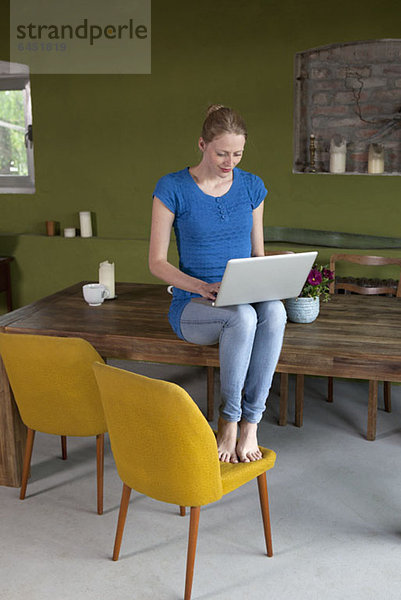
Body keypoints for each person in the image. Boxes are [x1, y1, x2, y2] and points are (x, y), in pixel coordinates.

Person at [149, 104, 287, 464]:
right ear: (201, 144)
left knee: (273, 310)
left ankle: (251, 423)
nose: (230, 161)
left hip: (242, 295)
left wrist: (275, 280)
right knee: (241, 317)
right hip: (192, 304)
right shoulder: (172, 187)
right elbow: (157, 263)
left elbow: (257, 254)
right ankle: (228, 419)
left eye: (238, 153)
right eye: (222, 153)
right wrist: (199, 287)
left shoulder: (252, 186)